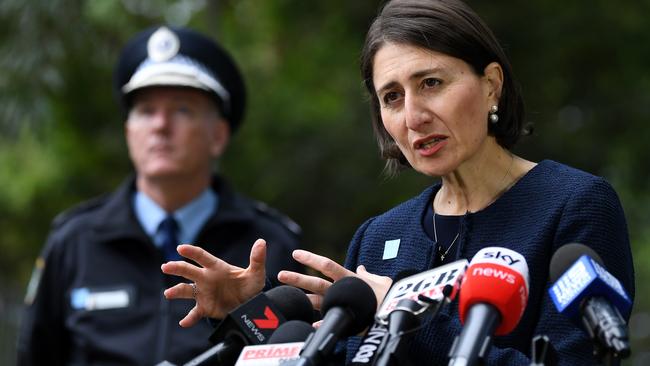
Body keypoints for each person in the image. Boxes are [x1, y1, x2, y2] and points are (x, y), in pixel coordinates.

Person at [161, 0, 635, 364]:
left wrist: (402, 311)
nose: (413, 116)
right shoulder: (379, 236)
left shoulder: (574, 205)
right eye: (392, 97)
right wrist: (258, 320)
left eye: (431, 83)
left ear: (491, 83)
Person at [16, 26, 304, 366]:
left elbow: (300, 355)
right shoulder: (74, 241)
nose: (160, 126)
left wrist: (244, 313)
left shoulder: (270, 243)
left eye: (182, 110)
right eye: (146, 111)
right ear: (128, 132)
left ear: (218, 135)